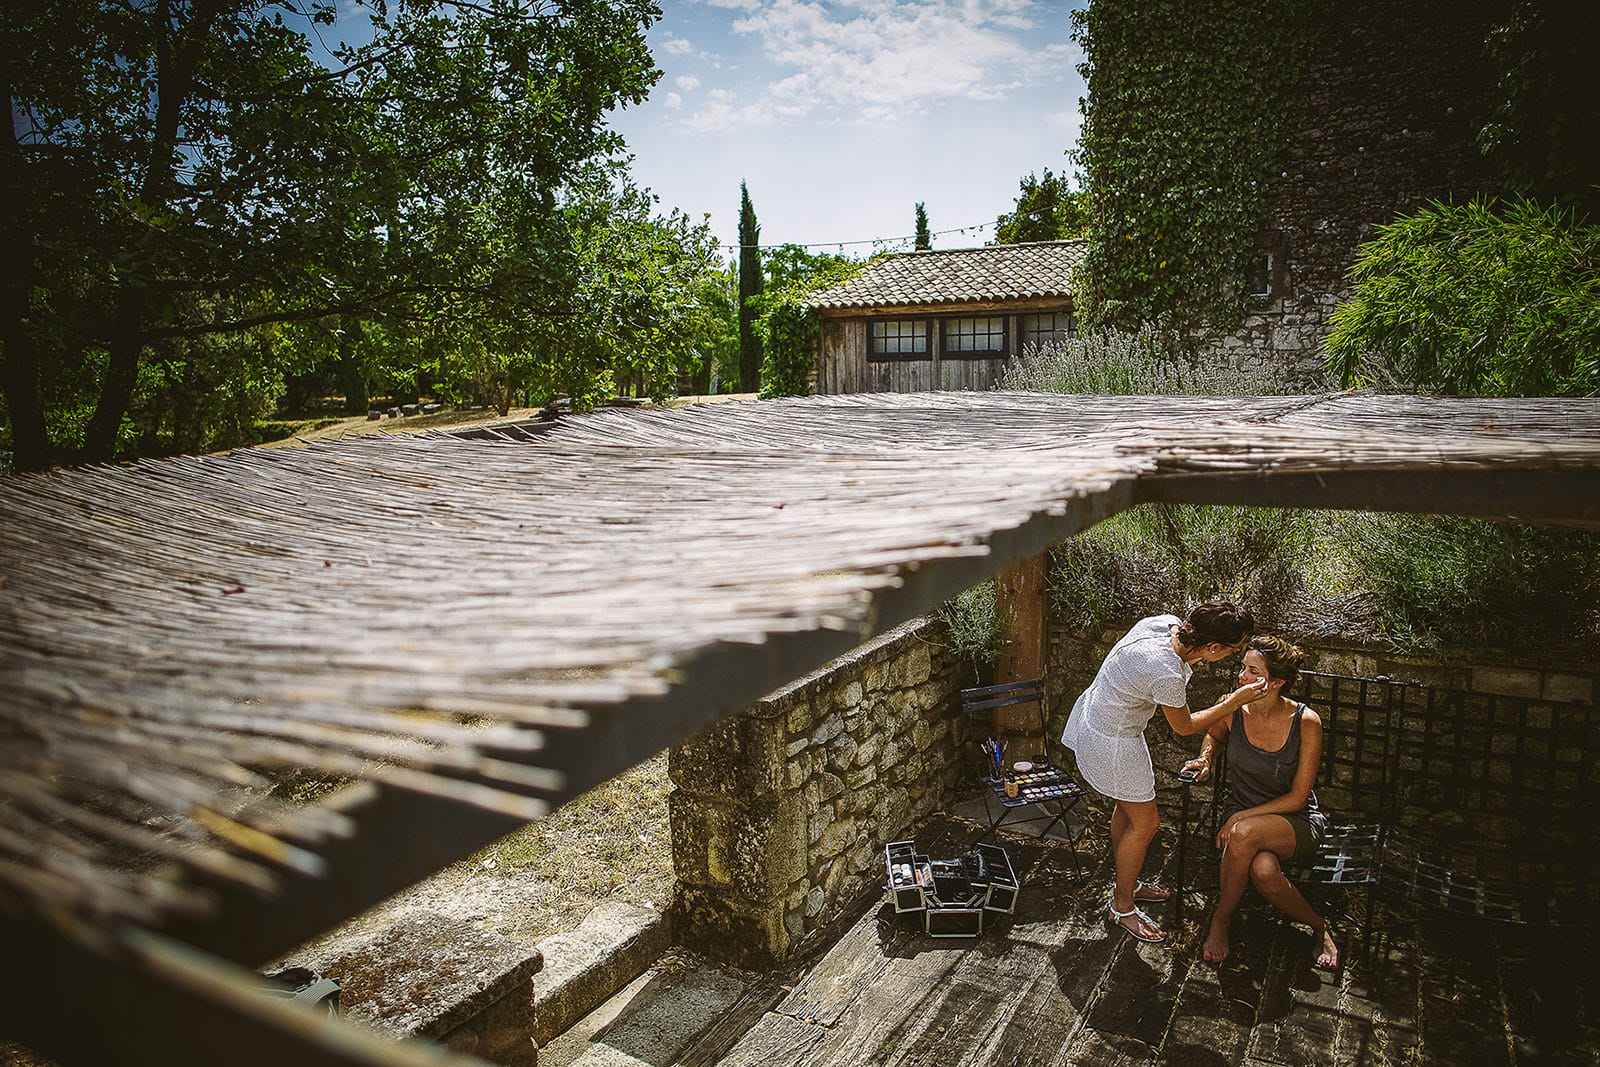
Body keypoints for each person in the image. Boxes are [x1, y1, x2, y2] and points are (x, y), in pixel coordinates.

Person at [1063, 601, 1266, 944]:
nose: (1234, 658)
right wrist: (1233, 702)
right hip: (1113, 743)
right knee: (1146, 823)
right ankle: (1122, 906)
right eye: (1234, 651)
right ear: (1214, 647)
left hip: (1101, 720)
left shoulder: (1162, 624)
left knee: (1127, 811)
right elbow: (1184, 727)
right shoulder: (1165, 671)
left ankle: (1127, 882)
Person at [1181, 634, 1337, 969]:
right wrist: (1206, 759)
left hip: (1293, 818)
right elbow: (1214, 735)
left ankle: (1220, 920)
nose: (1242, 676)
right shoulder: (1233, 707)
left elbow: (1297, 797)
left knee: (1243, 834)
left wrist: (1240, 819)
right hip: (1243, 814)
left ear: (1277, 681)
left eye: (1253, 671)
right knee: (1264, 871)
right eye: (1242, 667)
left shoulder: (1306, 722)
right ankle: (1318, 924)